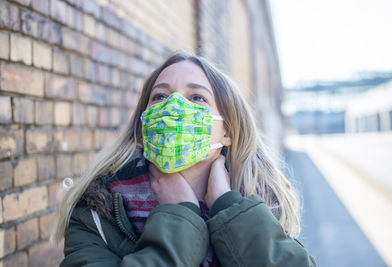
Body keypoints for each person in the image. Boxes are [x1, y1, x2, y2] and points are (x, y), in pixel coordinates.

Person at [54, 51, 317, 266]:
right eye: (160, 97)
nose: (173, 108)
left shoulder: (262, 203)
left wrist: (228, 208)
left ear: (227, 130)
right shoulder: (97, 212)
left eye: (197, 98)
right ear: (143, 125)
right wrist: (180, 215)